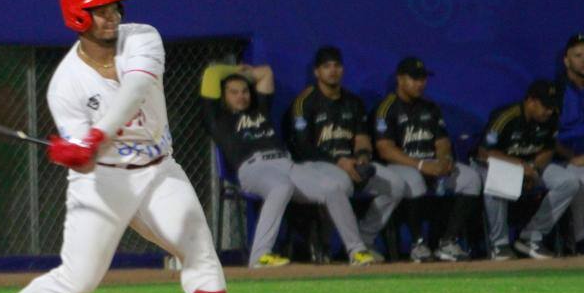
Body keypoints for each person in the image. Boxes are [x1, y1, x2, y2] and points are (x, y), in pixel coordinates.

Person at [0, 0, 249, 293]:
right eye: (99, 10)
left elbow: (135, 90)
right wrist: (73, 154)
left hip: (159, 170)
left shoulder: (143, 38)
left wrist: (93, 136)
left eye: (113, 7)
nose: (111, 16)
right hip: (103, 182)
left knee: (199, 250)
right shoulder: (65, 85)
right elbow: (84, 158)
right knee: (78, 281)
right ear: (78, 17)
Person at [201, 63, 378, 267]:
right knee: (281, 187)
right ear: (224, 96)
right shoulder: (216, 117)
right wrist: (234, 70)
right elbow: (212, 74)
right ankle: (259, 256)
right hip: (253, 168)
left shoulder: (260, 110)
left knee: (333, 188)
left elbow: (266, 72)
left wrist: (245, 75)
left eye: (244, 91)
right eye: (234, 93)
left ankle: (357, 251)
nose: (241, 96)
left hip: (285, 163)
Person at [284, 46, 409, 260]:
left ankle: (364, 238)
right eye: (326, 66)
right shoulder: (304, 102)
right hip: (317, 165)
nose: (333, 71)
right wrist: (339, 162)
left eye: (337, 66)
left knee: (396, 185)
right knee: (342, 184)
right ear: (317, 72)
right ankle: (353, 249)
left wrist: (362, 156)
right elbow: (302, 148)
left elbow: (362, 137)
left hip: (349, 163)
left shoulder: (353, 102)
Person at [373, 56, 484, 262]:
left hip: (432, 166)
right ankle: (418, 244)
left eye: (423, 78)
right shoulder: (387, 107)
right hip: (400, 167)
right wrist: (422, 165)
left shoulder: (430, 107)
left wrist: (444, 160)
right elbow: (385, 150)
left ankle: (448, 241)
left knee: (471, 179)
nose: (420, 83)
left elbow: (442, 141)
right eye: (414, 78)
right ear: (400, 79)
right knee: (415, 179)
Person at [478, 80, 581, 259]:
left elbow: (548, 148)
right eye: (545, 106)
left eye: (552, 106)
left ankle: (531, 236)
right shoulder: (507, 116)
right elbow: (485, 153)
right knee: (496, 182)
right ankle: (499, 244)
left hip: (531, 166)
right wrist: (520, 169)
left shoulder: (551, 117)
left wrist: (532, 169)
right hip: (497, 165)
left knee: (569, 182)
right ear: (530, 101)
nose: (549, 111)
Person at [555, 32, 584, 256]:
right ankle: (579, 239)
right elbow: (546, 136)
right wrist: (569, 156)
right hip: (570, 160)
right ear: (566, 60)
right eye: (577, 55)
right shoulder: (557, 92)